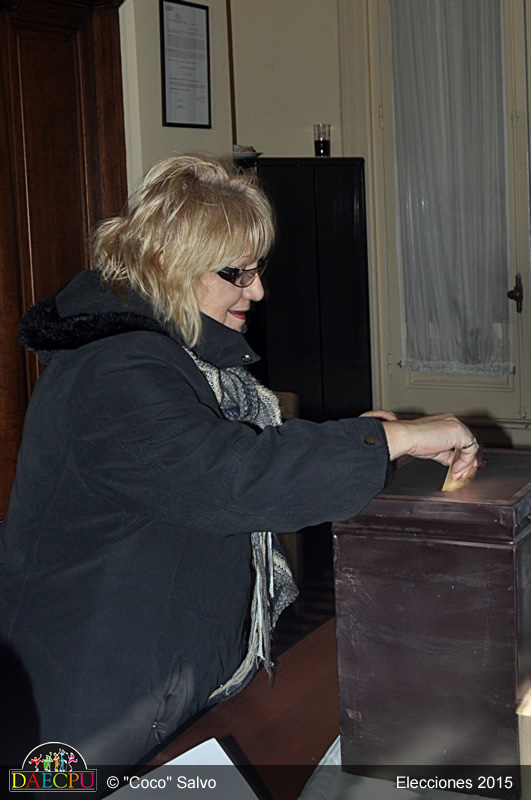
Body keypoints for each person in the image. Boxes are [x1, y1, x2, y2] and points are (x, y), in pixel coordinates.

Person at [0, 154, 480, 767]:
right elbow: (230, 478)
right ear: (168, 262)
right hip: (86, 713)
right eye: (238, 273)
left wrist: (366, 438)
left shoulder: (162, 352)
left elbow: (220, 450)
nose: (257, 290)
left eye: (258, 269)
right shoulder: (114, 369)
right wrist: (391, 440)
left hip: (149, 687)